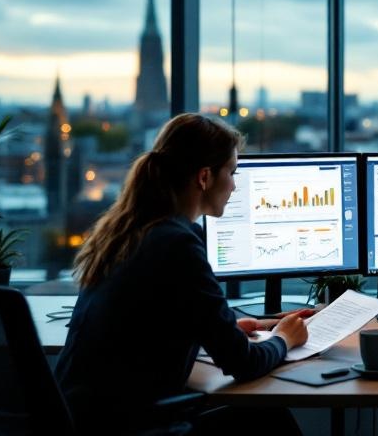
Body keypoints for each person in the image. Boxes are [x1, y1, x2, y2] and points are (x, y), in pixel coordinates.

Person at [55, 113, 312, 434]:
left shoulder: (127, 231)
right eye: (232, 172)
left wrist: (225, 329)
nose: (235, 185)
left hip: (81, 421)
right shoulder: (177, 242)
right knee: (270, 420)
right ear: (204, 177)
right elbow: (243, 364)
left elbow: (147, 326)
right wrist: (285, 338)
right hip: (129, 428)